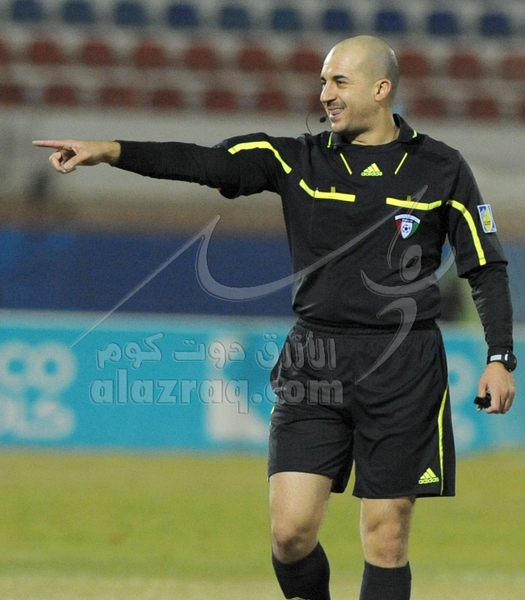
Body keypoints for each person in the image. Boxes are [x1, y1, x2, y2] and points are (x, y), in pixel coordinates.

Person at [34, 35, 516, 600]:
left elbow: (486, 267)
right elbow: (205, 162)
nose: (325, 93)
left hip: (403, 366)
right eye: (323, 81)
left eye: (339, 81)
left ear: (381, 89)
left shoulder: (441, 167)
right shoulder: (297, 159)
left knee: (386, 537)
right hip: (316, 359)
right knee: (290, 534)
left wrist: (499, 357)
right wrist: (111, 150)